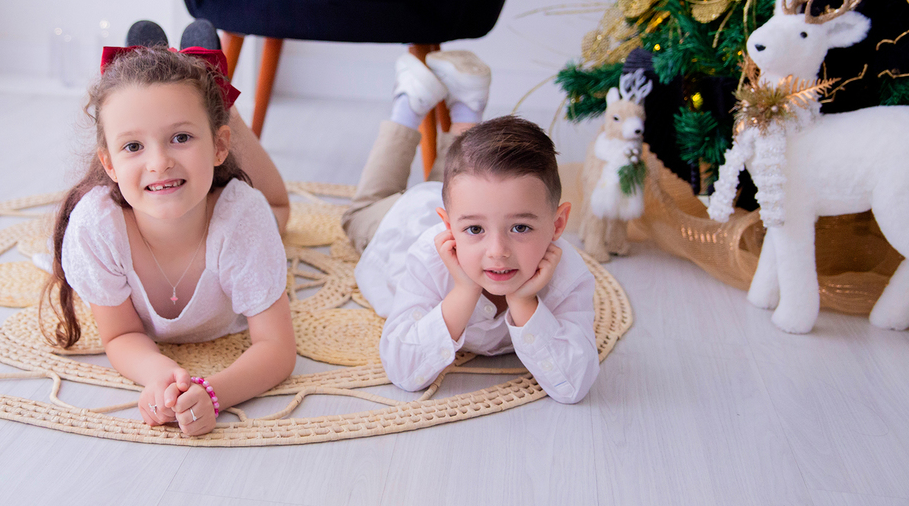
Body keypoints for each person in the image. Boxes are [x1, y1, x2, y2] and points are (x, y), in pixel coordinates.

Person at [46, 24, 296, 436]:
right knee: (162, 110)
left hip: (235, 200)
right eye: (132, 146)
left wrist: (212, 393)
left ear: (219, 147)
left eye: (180, 137)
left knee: (279, 211)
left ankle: (217, 96)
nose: (159, 162)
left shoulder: (242, 218)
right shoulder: (97, 225)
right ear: (108, 164)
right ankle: (171, 95)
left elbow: (278, 349)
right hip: (192, 164)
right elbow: (121, 334)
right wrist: (162, 377)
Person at [344, 51, 599, 402]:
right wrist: (464, 290)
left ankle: (466, 107)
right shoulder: (427, 258)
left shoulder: (568, 273)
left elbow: (574, 384)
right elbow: (403, 371)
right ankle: (409, 103)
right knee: (359, 214)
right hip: (403, 219)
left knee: (465, 175)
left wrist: (523, 301)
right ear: (448, 227)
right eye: (476, 232)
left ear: (558, 225)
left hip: (470, 201)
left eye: (521, 228)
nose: (498, 251)